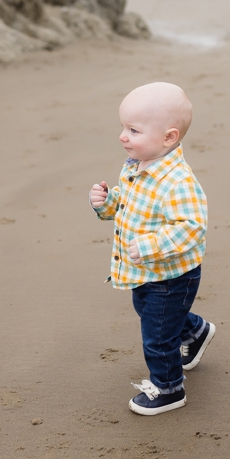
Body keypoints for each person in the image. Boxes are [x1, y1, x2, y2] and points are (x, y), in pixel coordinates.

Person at [88, 82, 216, 416]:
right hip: (143, 269)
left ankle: (168, 388)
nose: (122, 136)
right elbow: (130, 208)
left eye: (133, 130)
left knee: (157, 336)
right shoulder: (135, 165)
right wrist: (107, 203)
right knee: (151, 314)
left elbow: (191, 228)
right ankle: (196, 331)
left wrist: (149, 246)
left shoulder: (178, 181)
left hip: (173, 275)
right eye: (122, 128)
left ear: (169, 137)